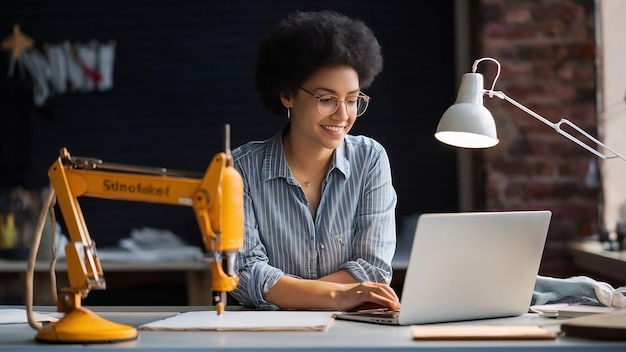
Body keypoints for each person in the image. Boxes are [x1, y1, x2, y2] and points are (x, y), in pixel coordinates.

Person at [230, 9, 400, 311]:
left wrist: (289, 293)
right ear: (287, 95)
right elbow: (245, 275)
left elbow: (373, 268)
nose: (343, 115)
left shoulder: (370, 160)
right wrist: (339, 296)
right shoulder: (240, 169)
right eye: (326, 99)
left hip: (350, 334)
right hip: (267, 335)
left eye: (352, 100)